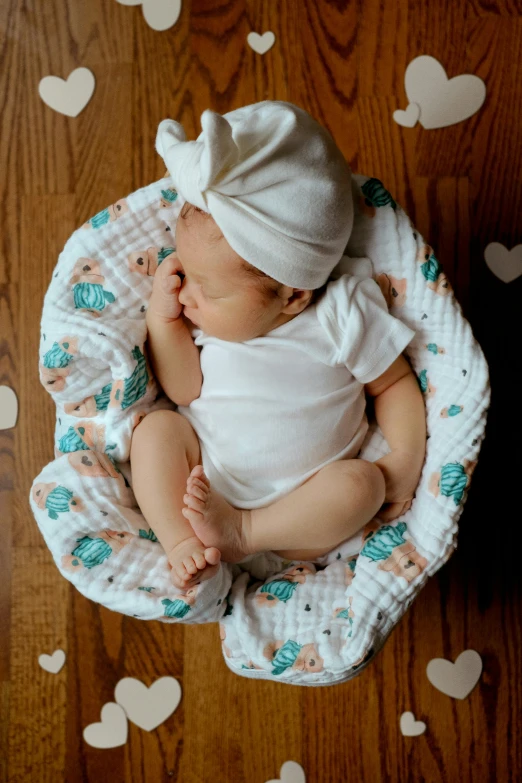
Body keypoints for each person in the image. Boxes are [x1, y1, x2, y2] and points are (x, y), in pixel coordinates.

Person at [130, 101, 426, 590]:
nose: (186, 291)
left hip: (304, 510)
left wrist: (407, 458)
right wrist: (163, 322)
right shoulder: (203, 320)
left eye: (209, 288)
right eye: (186, 271)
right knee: (157, 431)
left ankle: (245, 534)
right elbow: (183, 390)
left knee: (363, 485)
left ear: (293, 296)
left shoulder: (341, 309)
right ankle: (181, 542)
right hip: (205, 481)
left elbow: (393, 384)